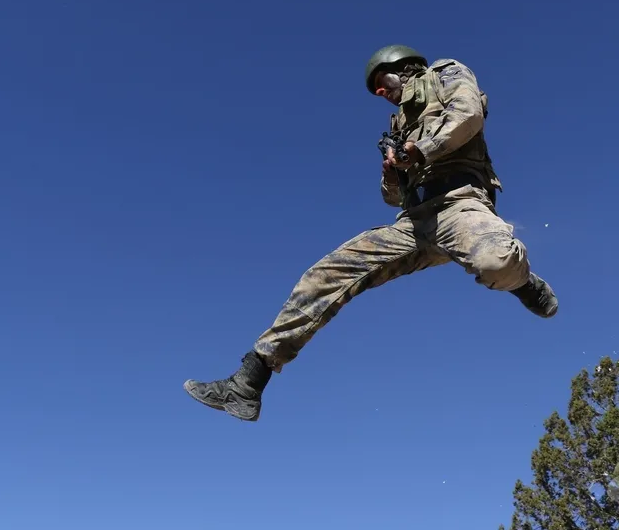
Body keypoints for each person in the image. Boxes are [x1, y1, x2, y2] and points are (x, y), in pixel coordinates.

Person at [183, 44, 558, 421]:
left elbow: (469, 114)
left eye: (384, 82)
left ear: (404, 66)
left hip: (460, 205)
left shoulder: (444, 73)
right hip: (413, 222)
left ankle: (524, 282)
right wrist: (391, 176)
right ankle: (248, 382)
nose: (382, 93)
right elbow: (391, 199)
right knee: (326, 275)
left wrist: (422, 149)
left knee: (495, 261)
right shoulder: (398, 125)